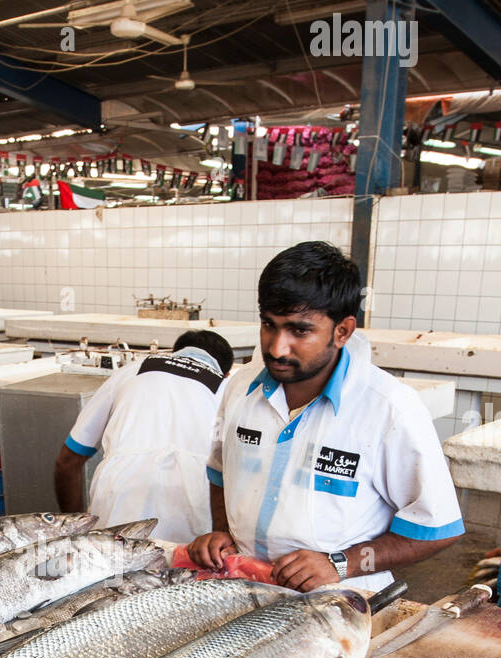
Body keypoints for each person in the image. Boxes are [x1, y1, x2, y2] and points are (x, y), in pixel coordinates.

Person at [188, 242, 464, 592]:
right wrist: (223, 533)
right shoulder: (240, 388)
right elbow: (220, 472)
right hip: (243, 586)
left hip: (339, 601)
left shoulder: (390, 408)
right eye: (268, 325)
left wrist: (342, 563)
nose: (276, 348)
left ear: (343, 331)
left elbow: (437, 528)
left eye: (299, 330)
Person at [54, 328, 234, 544]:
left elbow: (68, 461)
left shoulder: (130, 371)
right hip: (194, 501)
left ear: (173, 354)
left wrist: (74, 532)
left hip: (119, 491)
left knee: (111, 573)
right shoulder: (228, 389)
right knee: (179, 573)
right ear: (226, 373)